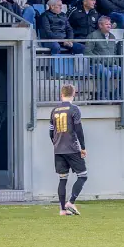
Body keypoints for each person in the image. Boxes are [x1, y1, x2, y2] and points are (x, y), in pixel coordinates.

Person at [49, 82, 86, 217]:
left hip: (58, 149)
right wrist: (83, 147)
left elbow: (51, 132)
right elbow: (78, 130)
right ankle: (71, 202)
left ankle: (62, 210)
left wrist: (56, 143)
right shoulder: (74, 109)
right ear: (74, 94)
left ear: (61, 94)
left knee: (62, 179)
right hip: (71, 148)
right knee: (83, 175)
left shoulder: (54, 110)